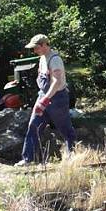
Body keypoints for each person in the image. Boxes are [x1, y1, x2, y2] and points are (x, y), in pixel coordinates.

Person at [16, 34, 75, 166]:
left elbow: (56, 81)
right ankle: (28, 160)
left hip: (58, 99)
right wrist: (42, 98)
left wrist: (45, 100)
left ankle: (72, 157)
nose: (34, 51)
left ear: (44, 45)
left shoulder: (55, 60)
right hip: (43, 96)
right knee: (33, 126)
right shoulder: (42, 58)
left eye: (36, 48)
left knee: (65, 129)